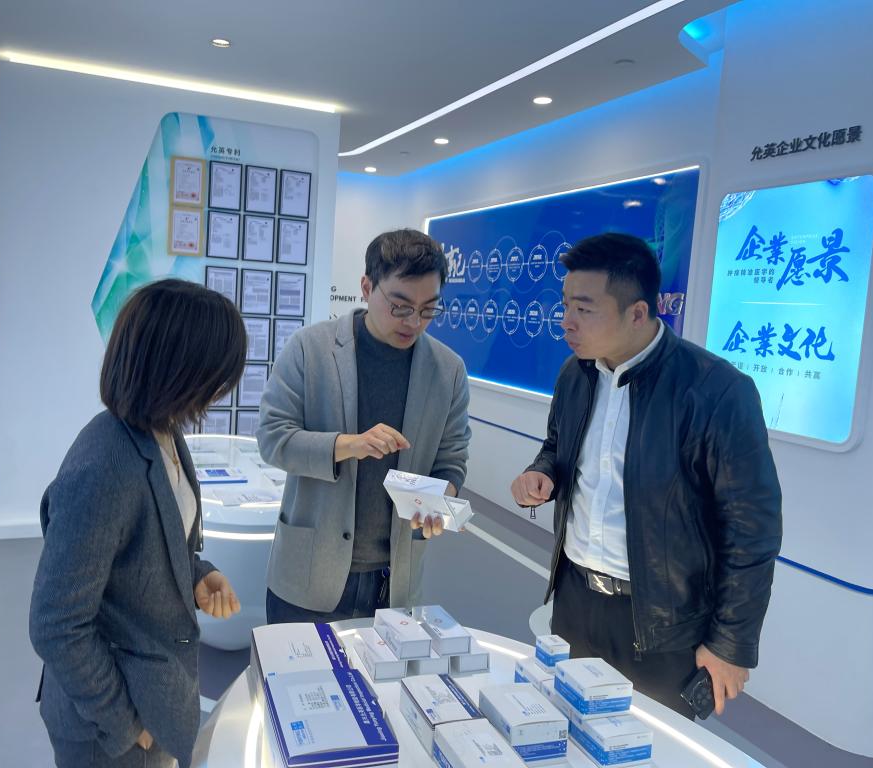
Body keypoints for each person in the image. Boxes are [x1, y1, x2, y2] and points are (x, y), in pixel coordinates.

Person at [510, 232, 782, 717]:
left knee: (647, 744)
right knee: (563, 727)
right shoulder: (576, 374)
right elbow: (557, 447)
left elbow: (752, 529)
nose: (566, 320)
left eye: (584, 308)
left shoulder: (715, 392)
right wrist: (541, 472)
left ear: (637, 313)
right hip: (574, 602)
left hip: (661, 623)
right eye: (566, 304)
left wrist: (731, 643)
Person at [29, 279, 245, 767]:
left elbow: (157, 540)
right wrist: (129, 724)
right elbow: (55, 624)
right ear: (177, 370)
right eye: (215, 374)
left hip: (153, 697)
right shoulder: (104, 464)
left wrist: (197, 574)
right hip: (109, 733)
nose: (220, 389)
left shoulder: (163, 431)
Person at [257, 228, 470, 623]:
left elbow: (452, 460)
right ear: (367, 287)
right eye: (400, 306)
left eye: (428, 310)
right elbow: (273, 439)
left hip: (395, 582)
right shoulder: (310, 348)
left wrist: (441, 500)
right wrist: (347, 445)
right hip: (309, 574)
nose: (414, 322)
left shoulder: (448, 370)